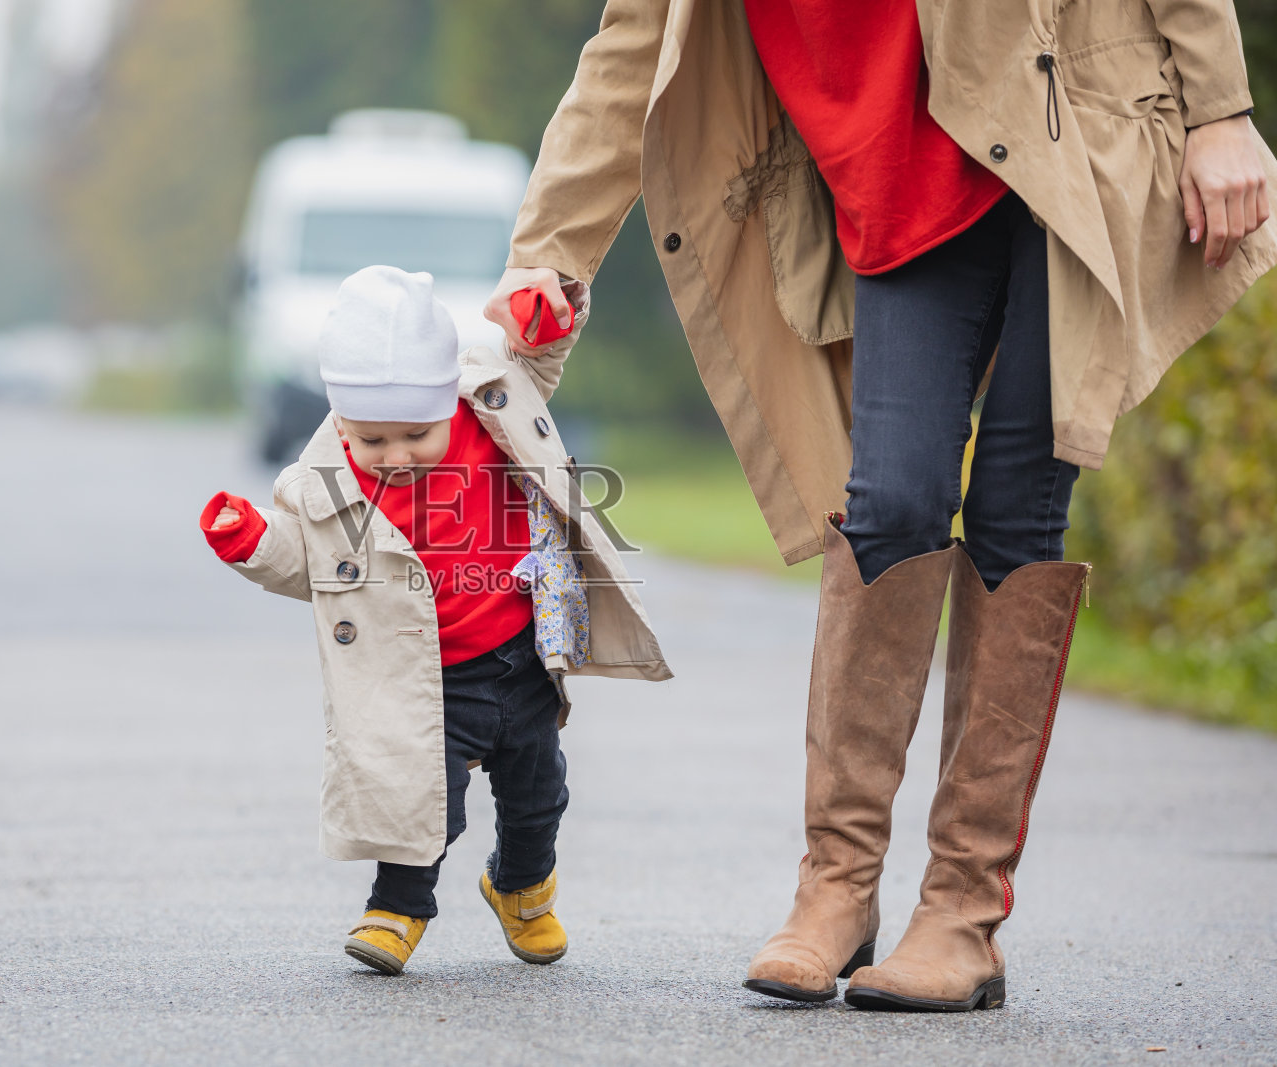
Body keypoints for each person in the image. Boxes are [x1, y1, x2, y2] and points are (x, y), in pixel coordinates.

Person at [485, 0, 1273, 1011]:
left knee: (1016, 507)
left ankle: (960, 911)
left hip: (1066, 136)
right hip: (897, 183)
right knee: (890, 497)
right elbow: (631, 56)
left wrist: (1219, 111)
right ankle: (837, 886)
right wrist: (548, 252)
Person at [202, 266, 669, 975]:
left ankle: (521, 887)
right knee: (420, 803)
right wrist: (254, 540)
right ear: (342, 423)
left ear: (447, 402)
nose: (395, 457)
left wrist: (545, 318)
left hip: (518, 657)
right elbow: (311, 562)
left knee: (539, 793)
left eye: (417, 434)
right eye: (371, 440)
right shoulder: (328, 484)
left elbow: (536, 362)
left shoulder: (489, 406)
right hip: (425, 679)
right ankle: (396, 908)